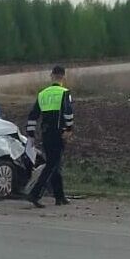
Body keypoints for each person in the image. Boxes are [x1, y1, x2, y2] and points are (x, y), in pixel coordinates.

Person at [26, 65, 74, 208]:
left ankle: (59, 196)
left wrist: (31, 134)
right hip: (58, 133)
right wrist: (69, 129)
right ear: (63, 77)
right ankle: (35, 194)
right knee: (52, 164)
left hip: (46, 133)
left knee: (55, 163)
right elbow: (68, 113)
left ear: (51, 76)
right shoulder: (65, 93)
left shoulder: (42, 94)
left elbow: (33, 115)